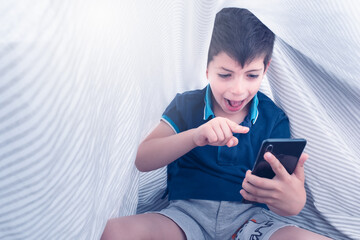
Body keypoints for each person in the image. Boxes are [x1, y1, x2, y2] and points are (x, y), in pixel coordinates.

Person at [101, 8, 332, 240]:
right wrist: (194, 137)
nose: (238, 90)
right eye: (225, 75)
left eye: (251, 75)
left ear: (266, 69)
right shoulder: (187, 105)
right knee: (113, 232)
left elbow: (284, 202)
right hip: (185, 218)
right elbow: (143, 159)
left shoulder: (273, 118)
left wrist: (293, 200)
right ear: (207, 67)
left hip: (250, 222)